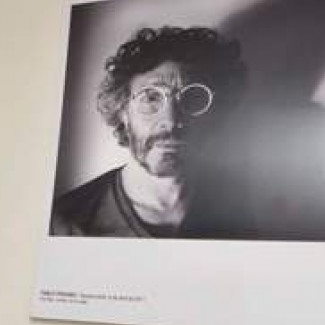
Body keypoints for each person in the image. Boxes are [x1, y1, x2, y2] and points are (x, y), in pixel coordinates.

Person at [51, 26, 246, 238]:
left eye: (193, 97)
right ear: (123, 112)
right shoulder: (68, 222)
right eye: (151, 98)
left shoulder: (241, 207)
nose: (171, 121)